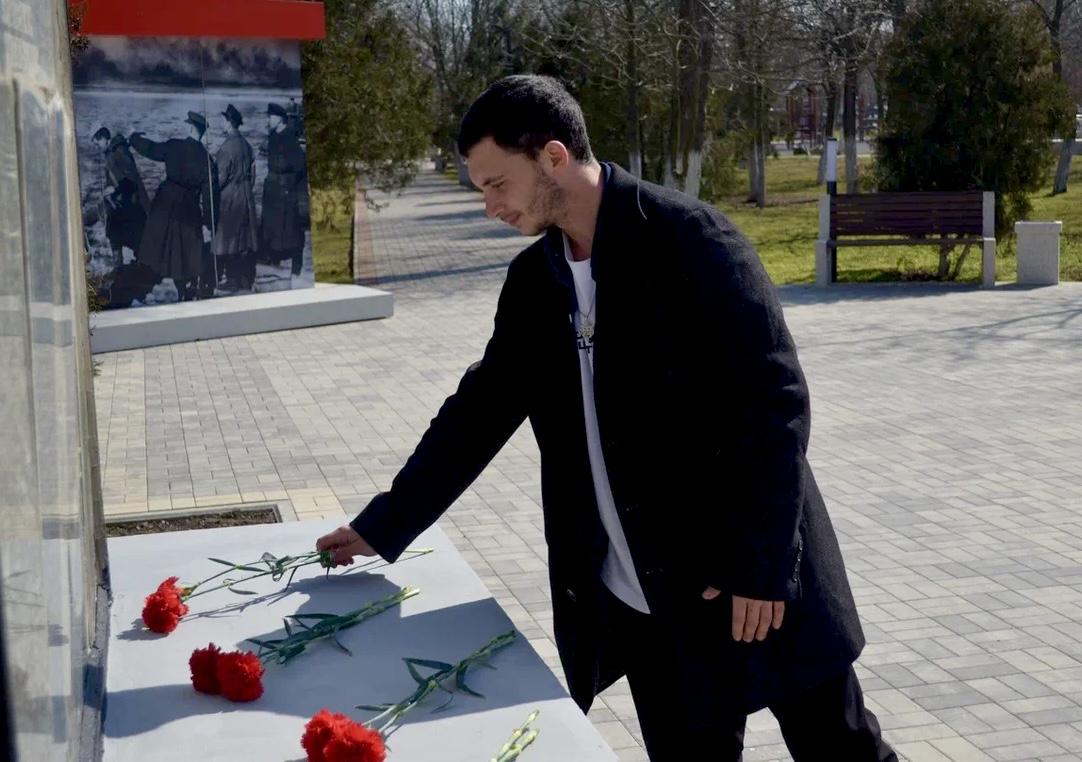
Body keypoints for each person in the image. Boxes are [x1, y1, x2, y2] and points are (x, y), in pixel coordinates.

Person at [315, 75, 897, 761]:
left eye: (498, 184)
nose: (490, 206)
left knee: (844, 753)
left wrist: (760, 566)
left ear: (553, 157)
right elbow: (477, 414)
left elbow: (776, 404)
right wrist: (384, 524)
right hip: (647, 600)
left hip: (754, 579)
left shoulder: (691, 239)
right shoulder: (535, 282)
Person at [130, 111, 220, 300]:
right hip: (188, 207)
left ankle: (146, 289)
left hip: (165, 202)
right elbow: (210, 196)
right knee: (184, 252)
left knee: (156, 245)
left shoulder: (174, 146)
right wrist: (208, 222)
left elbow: (151, 149)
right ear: (202, 133)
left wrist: (134, 138)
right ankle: (184, 290)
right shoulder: (207, 160)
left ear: (190, 128)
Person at [212, 104, 259, 292]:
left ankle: (232, 280)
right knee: (243, 239)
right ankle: (244, 279)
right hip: (246, 196)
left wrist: (211, 194)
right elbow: (253, 176)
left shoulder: (226, 147)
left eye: (222, 120)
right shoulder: (247, 146)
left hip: (231, 198)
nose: (220, 123)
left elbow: (220, 178)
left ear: (228, 122)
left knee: (230, 238)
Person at [259, 102, 308, 279]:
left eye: (270, 117)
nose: (267, 120)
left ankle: (296, 266)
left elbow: (299, 168)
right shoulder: (274, 137)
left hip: (286, 193)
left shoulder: (289, 140)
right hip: (273, 191)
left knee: (291, 229)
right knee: (271, 227)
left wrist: (287, 185)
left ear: (280, 119)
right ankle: (273, 258)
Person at [92, 127, 150, 264]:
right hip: (118, 203)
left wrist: (114, 189)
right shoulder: (111, 152)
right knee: (115, 236)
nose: (97, 148)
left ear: (104, 139)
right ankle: (120, 268)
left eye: (97, 144)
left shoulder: (119, 152)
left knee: (134, 238)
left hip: (130, 202)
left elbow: (131, 179)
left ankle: (136, 268)